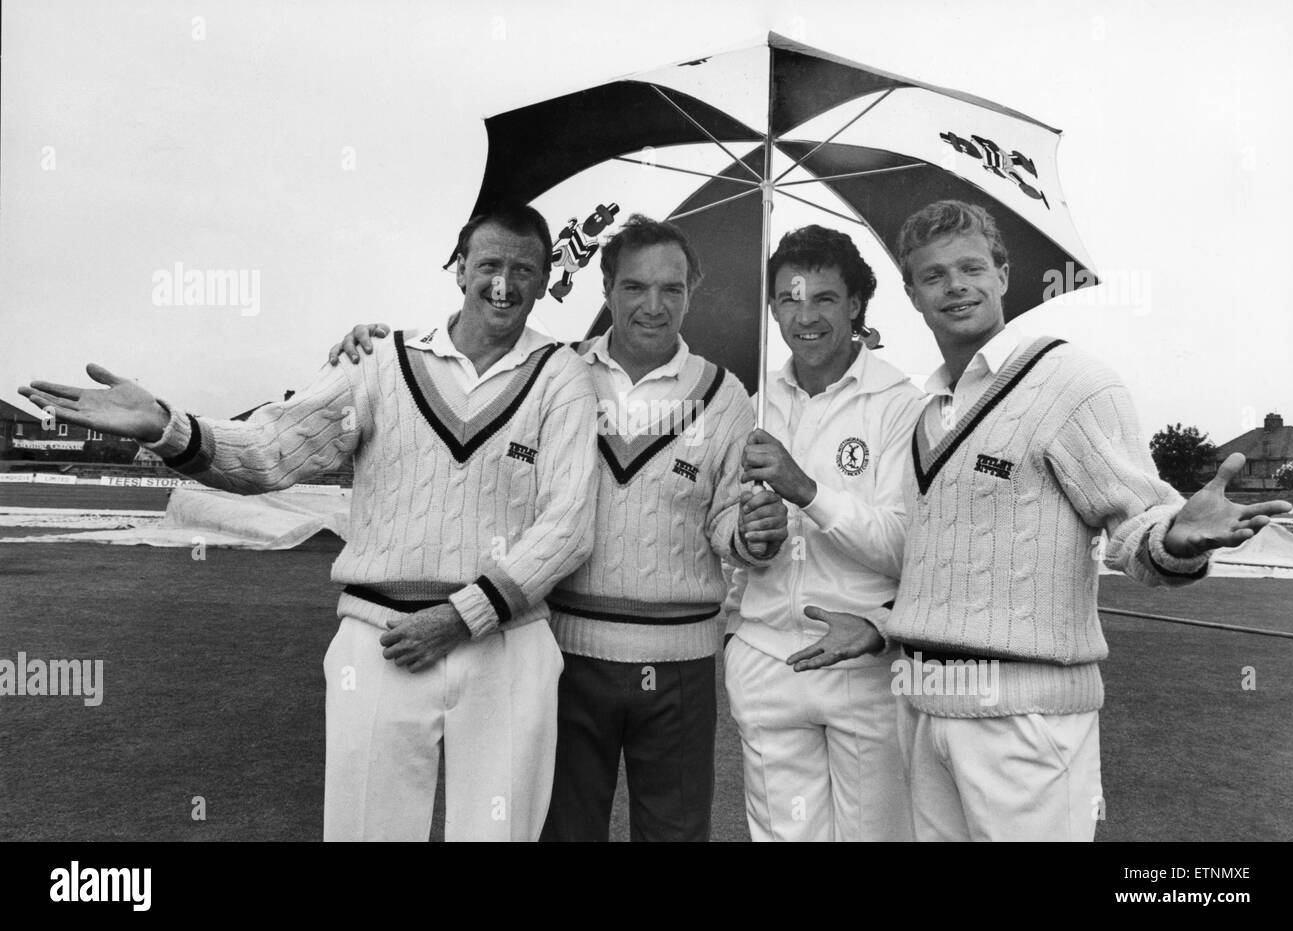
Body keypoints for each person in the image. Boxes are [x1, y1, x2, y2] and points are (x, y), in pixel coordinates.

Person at [20, 201, 602, 842]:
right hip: (380, 641)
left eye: (525, 269)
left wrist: (458, 618)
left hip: (505, 646)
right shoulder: (380, 362)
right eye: (489, 263)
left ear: (545, 280)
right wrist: (166, 425)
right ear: (458, 269)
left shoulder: (564, 377)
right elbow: (271, 453)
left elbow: (568, 525)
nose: (505, 282)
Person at [329, 214, 788, 842]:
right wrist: (368, 344)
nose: (653, 306)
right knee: (565, 833)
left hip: (679, 661)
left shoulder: (724, 394)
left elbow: (726, 522)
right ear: (607, 288)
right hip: (571, 653)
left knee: (676, 834)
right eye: (634, 287)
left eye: (672, 290)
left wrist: (754, 533)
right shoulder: (555, 373)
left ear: (691, 293)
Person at [886, 199, 1293, 841]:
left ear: (1003, 273)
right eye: (933, 275)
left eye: (971, 268)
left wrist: (1175, 537)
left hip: (1027, 717)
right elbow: (923, 558)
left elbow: (1139, 522)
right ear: (911, 293)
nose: (955, 286)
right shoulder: (922, 410)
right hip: (922, 705)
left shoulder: (1073, 382)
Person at [725, 224, 924, 841]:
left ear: (856, 304)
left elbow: (903, 548)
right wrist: (749, 539)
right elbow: (729, 546)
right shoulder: (755, 402)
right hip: (765, 658)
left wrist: (805, 489)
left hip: (860, 663)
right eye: (788, 298)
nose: (803, 316)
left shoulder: (901, 403)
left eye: (823, 299)